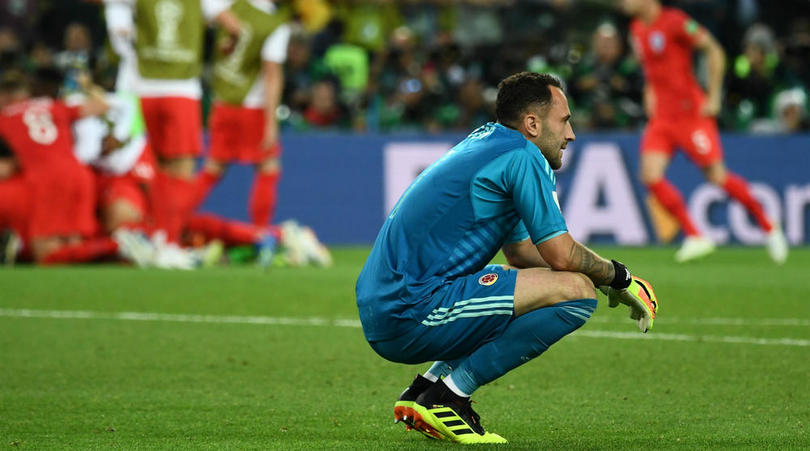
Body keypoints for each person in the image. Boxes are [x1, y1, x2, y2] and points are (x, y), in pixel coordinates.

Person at [355, 72, 658, 444]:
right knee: (576, 293)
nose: (571, 134)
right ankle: (448, 398)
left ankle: (425, 389)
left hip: (386, 302)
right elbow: (560, 254)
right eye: (564, 121)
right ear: (532, 123)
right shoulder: (524, 155)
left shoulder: (488, 142)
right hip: (410, 309)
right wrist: (619, 277)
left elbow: (521, 251)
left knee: (521, 278)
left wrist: (603, 275)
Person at [622, 0, 788, 263]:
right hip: (662, 118)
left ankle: (769, 226)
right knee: (649, 175)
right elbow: (651, 71)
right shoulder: (636, 30)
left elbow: (714, 50)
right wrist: (649, 93)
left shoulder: (675, 21)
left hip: (690, 114)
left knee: (717, 177)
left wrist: (713, 95)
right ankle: (695, 235)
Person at [194, 0, 292, 228]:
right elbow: (271, 74)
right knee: (268, 166)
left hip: (222, 101)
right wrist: (271, 122)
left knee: (212, 169)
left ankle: (173, 225)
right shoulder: (275, 25)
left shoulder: (230, 5)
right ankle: (261, 233)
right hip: (253, 105)